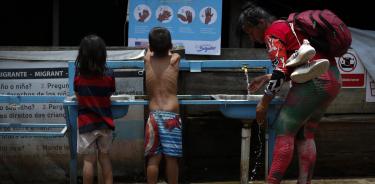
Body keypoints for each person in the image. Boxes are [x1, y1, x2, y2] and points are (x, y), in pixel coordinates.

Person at [238, 4, 341, 184]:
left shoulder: (272, 32)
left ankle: (272, 181)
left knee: (283, 130)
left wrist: (264, 103)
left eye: (250, 31)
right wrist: (266, 77)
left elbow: (279, 71)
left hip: (314, 82)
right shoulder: (290, 26)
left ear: (261, 23)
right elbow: (292, 67)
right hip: (333, 78)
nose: (251, 37)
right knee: (306, 134)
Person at [74, 34, 116, 184]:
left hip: (86, 124)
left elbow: (77, 93)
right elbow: (110, 92)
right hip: (105, 124)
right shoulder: (109, 74)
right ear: (102, 54)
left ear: (82, 55)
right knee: (104, 158)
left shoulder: (78, 74)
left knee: (89, 161)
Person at [143, 27, 182, 184]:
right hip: (171, 116)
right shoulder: (175, 60)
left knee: (153, 158)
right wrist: (175, 53)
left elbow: (147, 52)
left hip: (153, 116)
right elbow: (177, 54)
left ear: (151, 47)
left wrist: (150, 50)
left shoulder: (147, 60)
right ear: (170, 46)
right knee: (171, 159)